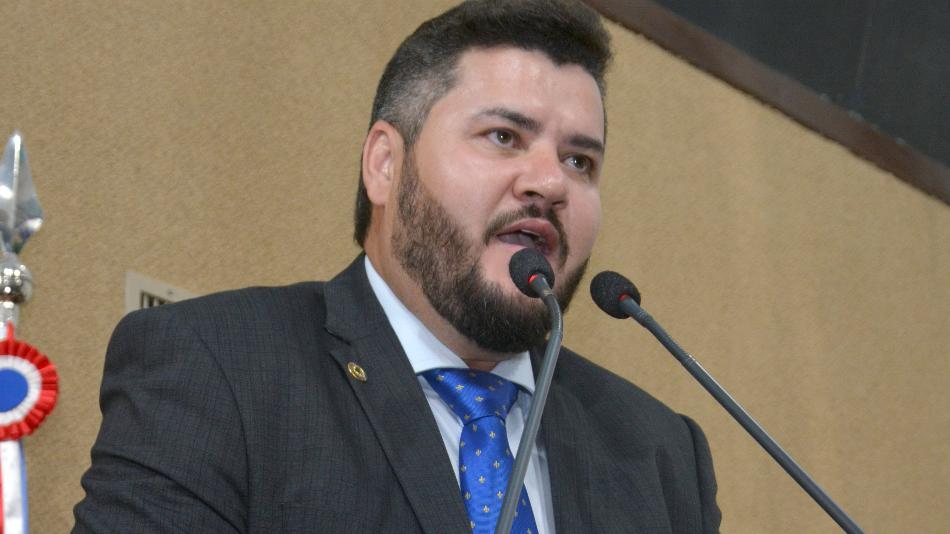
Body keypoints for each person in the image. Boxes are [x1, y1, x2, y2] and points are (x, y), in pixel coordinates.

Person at [74, 1, 720, 532]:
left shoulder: (659, 453)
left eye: (580, 161)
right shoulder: (217, 369)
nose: (550, 182)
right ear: (386, 164)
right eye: (504, 137)